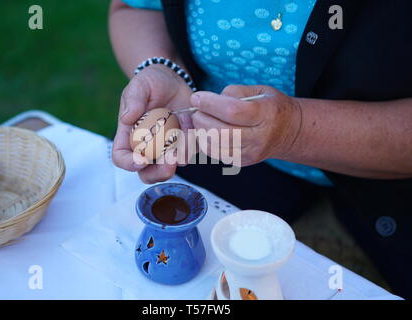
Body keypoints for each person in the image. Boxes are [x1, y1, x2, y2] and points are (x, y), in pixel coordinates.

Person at [109, 0, 412, 298]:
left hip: (389, 178)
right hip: (216, 147)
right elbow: (135, 8)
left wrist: (295, 130)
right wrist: (163, 66)